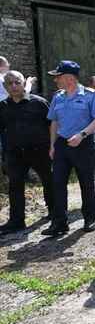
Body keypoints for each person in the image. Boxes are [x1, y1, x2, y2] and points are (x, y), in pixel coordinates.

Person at [42, 61, 95, 236]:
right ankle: (59, 223)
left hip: (83, 144)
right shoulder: (58, 96)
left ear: (69, 78)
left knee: (86, 183)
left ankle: (89, 218)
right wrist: (53, 145)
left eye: (58, 77)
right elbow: (54, 121)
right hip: (62, 144)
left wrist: (82, 135)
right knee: (58, 184)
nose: (56, 80)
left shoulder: (90, 96)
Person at [0, 71, 54, 234]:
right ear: (5, 86)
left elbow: (53, 125)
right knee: (15, 186)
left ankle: (55, 214)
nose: (14, 86)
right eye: (10, 83)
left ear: (24, 83)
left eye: (17, 82)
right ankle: (16, 221)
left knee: (49, 181)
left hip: (40, 151)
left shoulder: (39, 103)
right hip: (14, 153)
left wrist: (53, 146)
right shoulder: (2, 107)